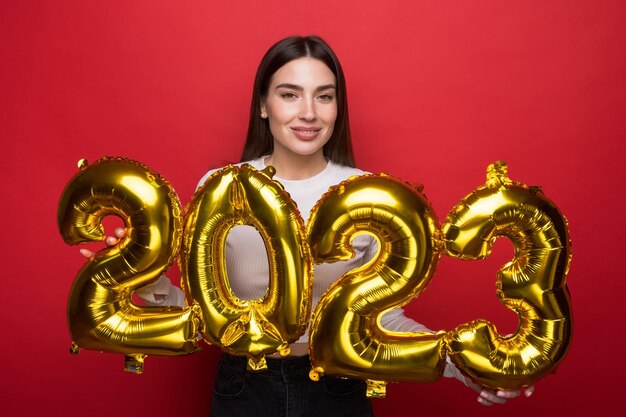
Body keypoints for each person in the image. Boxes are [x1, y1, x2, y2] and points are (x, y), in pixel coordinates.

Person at [81, 35, 533, 415]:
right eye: (289, 94)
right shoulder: (222, 190)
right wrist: (145, 278)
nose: (309, 113)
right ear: (263, 104)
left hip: (340, 388)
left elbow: (386, 319)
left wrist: (471, 368)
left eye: (324, 95)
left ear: (338, 107)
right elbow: (207, 317)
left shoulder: (366, 196)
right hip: (244, 388)